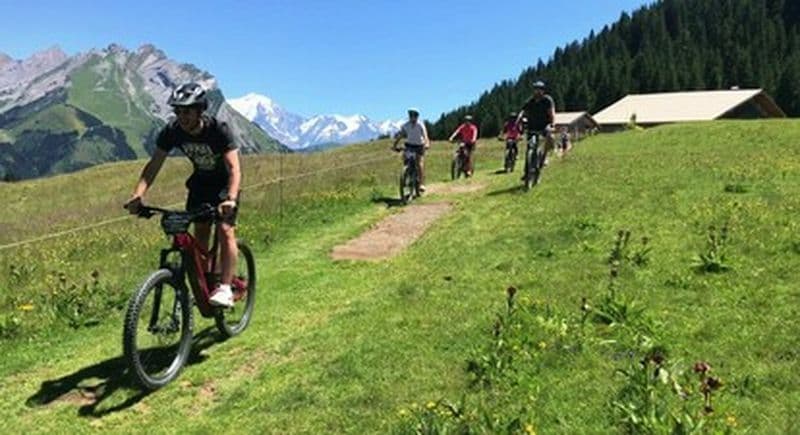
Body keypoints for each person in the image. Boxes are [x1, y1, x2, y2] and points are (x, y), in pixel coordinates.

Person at [124, 83, 241, 308]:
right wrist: (138, 195)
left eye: (186, 111)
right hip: (200, 185)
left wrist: (231, 199)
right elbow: (154, 165)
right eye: (177, 111)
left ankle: (225, 288)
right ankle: (206, 283)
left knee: (226, 230)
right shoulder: (172, 132)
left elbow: (235, 168)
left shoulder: (218, 130)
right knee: (200, 234)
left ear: (200, 110)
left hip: (226, 186)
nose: (181, 116)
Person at [516, 80, 555, 176]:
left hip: (544, 126)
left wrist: (552, 124)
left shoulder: (547, 100)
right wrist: (519, 119)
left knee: (550, 137)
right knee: (529, 148)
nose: (537, 91)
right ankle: (526, 173)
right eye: (535, 89)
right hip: (532, 126)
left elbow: (552, 113)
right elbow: (523, 111)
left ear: (543, 90)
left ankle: (544, 156)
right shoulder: (530, 101)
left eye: (539, 89)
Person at [393, 108, 431, 191]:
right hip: (409, 145)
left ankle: (421, 183)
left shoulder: (420, 125)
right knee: (406, 159)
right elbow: (400, 135)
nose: (412, 117)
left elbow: (425, 135)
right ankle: (407, 173)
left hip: (419, 145)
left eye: (414, 115)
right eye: (410, 115)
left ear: (417, 116)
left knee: (419, 163)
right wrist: (395, 145)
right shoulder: (406, 125)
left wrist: (427, 143)